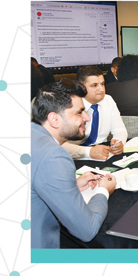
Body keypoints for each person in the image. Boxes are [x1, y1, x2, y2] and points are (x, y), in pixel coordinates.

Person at [31, 79, 116, 249]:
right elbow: (87, 230)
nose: (87, 118)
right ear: (54, 119)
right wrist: (103, 191)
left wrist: (73, 185)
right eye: (79, 112)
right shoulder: (54, 156)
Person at [62, 66, 128, 159]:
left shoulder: (108, 100)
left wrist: (118, 142)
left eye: (102, 84)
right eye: (94, 85)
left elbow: (119, 130)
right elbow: (57, 144)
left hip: (102, 152)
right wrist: (89, 152)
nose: (101, 89)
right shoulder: (69, 104)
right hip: (75, 155)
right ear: (81, 86)